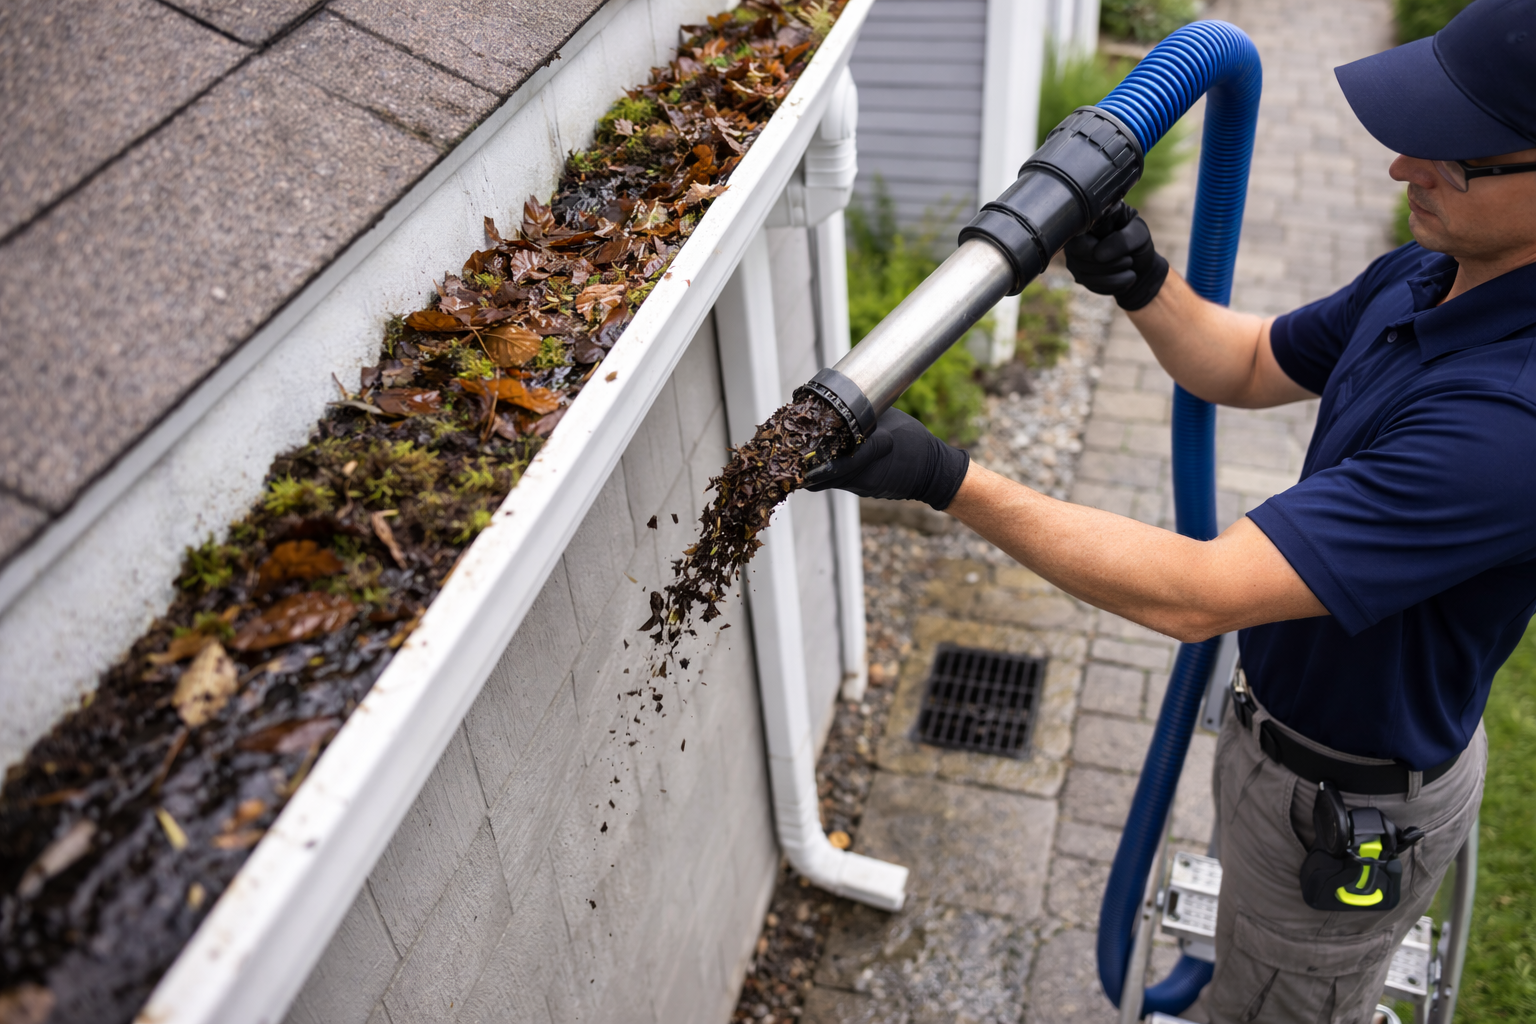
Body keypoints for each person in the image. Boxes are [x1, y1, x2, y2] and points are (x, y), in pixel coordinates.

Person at [806, 0, 1536, 1019]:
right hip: (1283, 741)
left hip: (1348, 803)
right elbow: (1243, 361)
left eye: (1456, 157)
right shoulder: (1438, 274)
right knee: (1245, 958)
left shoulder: (1509, 428)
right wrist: (1142, 278)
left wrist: (946, 477)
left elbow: (1199, 594)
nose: (1403, 168)